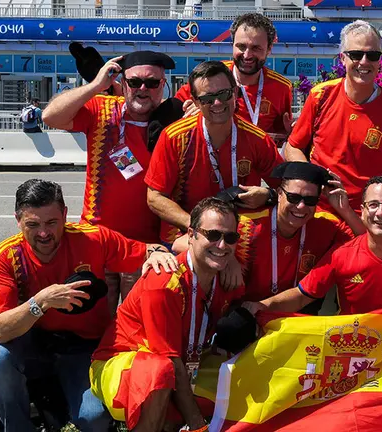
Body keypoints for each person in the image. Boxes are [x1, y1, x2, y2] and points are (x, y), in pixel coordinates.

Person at [0, 179, 177, 432]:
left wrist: (160, 254)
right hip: (32, 343)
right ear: (18, 220)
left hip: (84, 347)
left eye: (52, 222)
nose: (44, 233)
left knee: (93, 419)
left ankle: (57, 404)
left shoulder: (93, 238)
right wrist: (40, 301)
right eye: (33, 224)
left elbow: (148, 251)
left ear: (65, 215)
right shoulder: (5, 256)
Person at [90, 197, 244, 431]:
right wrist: (197, 424)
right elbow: (169, 360)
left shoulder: (227, 275)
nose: (222, 245)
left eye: (230, 238)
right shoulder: (164, 282)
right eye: (213, 235)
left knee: (242, 375)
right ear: (191, 235)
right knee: (161, 371)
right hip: (122, 365)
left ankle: (171, 420)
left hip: (183, 364)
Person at [43, 50, 175, 314]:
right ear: (123, 83)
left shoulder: (174, 118)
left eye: (152, 83)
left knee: (137, 318)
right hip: (97, 239)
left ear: (163, 85)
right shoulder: (102, 108)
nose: (143, 89)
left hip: (146, 245)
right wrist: (95, 85)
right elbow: (51, 117)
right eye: (135, 82)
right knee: (95, 319)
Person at [283, 20, 382, 242]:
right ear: (342, 58)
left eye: (372, 55)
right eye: (356, 54)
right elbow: (292, 147)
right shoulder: (321, 96)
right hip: (318, 212)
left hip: (367, 220)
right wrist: (315, 180)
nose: (364, 62)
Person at [250, 176, 382, 315]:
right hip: (352, 348)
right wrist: (261, 306)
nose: (380, 212)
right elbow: (301, 296)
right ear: (362, 211)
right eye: (373, 205)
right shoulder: (341, 254)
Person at [173, 162, 364, 304]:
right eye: (293, 197)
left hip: (290, 313)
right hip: (239, 313)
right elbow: (181, 243)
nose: (301, 206)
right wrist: (228, 258)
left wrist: (344, 209)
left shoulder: (325, 224)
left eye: (309, 200)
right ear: (279, 194)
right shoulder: (247, 220)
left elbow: (366, 243)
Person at [145, 60, 284, 244]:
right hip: (184, 236)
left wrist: (268, 195)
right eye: (207, 99)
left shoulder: (257, 139)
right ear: (196, 101)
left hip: (237, 238)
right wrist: (200, 228)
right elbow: (154, 197)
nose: (217, 103)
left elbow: (286, 187)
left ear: (235, 93)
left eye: (224, 94)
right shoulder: (174, 137)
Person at [175, 13, 293, 135]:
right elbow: (173, 117)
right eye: (241, 46)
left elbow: (281, 133)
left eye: (256, 48)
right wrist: (202, 110)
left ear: (269, 49)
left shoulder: (281, 87)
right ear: (232, 45)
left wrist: (290, 132)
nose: (247, 55)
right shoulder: (208, 76)